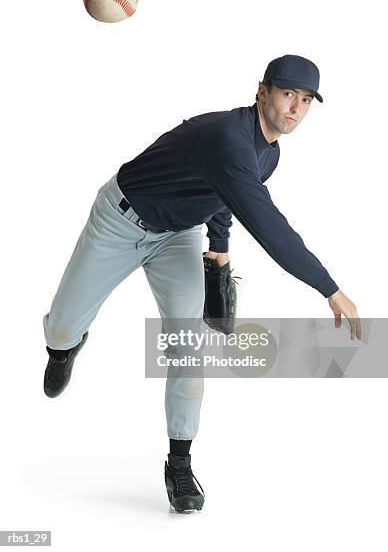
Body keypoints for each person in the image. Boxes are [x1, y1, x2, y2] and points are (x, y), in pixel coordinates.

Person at [42, 54, 361, 514]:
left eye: (306, 99)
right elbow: (268, 225)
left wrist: (219, 247)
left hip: (178, 236)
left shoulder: (268, 153)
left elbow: (222, 196)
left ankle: (178, 462)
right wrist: (330, 288)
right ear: (262, 91)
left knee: (188, 348)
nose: (295, 107)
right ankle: (62, 347)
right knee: (62, 325)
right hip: (120, 220)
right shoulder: (227, 138)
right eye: (288, 93)